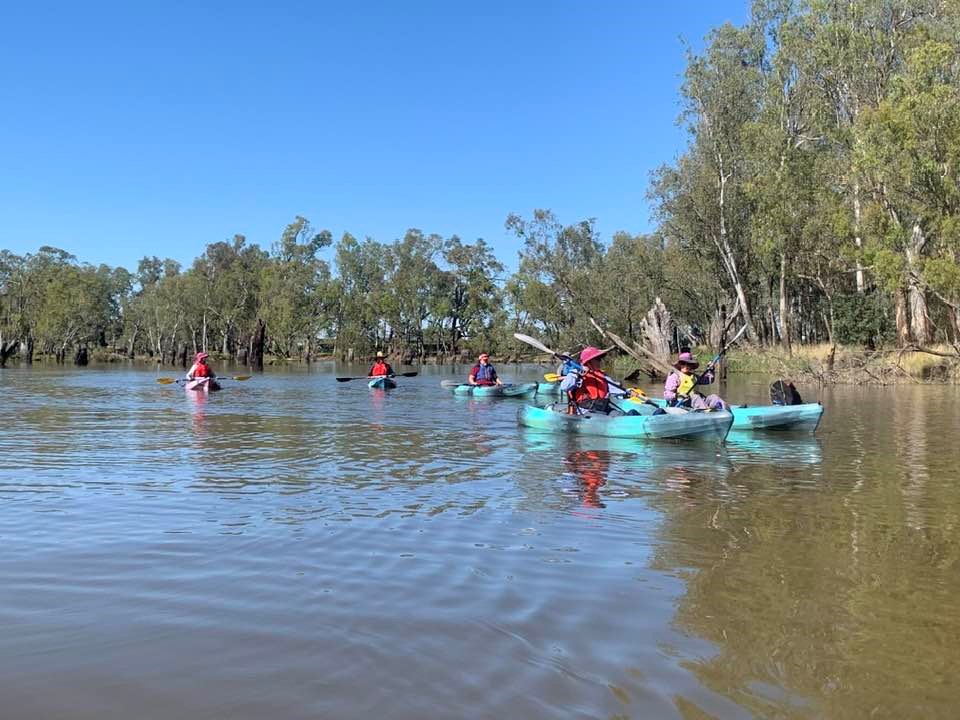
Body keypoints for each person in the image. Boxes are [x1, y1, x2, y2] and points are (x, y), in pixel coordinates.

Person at [560, 346, 613, 413]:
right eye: (597, 359)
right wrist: (577, 373)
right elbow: (564, 387)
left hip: (603, 408)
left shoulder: (602, 375)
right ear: (589, 362)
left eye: (600, 359)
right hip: (585, 410)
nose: (600, 361)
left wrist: (627, 392)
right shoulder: (577, 374)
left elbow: (614, 389)